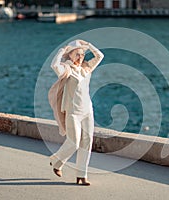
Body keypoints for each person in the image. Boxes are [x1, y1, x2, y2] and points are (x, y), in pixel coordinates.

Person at [48, 39, 104, 186]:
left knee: (87, 142)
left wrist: (88, 45)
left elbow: (100, 56)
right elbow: (53, 65)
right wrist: (62, 50)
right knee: (74, 142)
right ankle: (56, 160)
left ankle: (82, 175)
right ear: (71, 56)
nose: (80, 57)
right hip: (73, 112)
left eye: (82, 54)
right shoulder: (67, 69)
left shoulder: (86, 68)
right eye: (77, 54)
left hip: (87, 110)